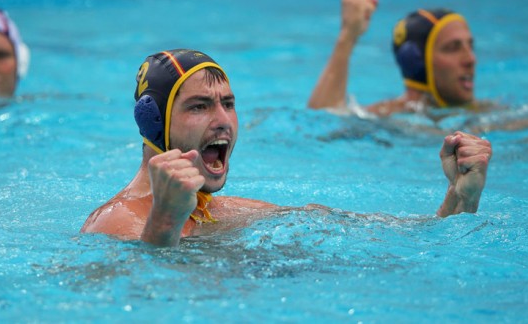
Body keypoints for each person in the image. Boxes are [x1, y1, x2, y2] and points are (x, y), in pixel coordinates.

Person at [80, 49, 493, 247]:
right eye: (199, 106)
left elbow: (405, 241)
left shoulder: (225, 211)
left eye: (228, 103)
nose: (222, 119)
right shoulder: (114, 222)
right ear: (154, 123)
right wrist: (164, 223)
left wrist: (459, 199)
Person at [308, 0, 485, 117]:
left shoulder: (489, 115)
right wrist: (348, 36)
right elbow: (323, 118)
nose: (471, 59)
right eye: (453, 48)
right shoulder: (387, 117)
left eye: (470, 46)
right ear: (415, 62)